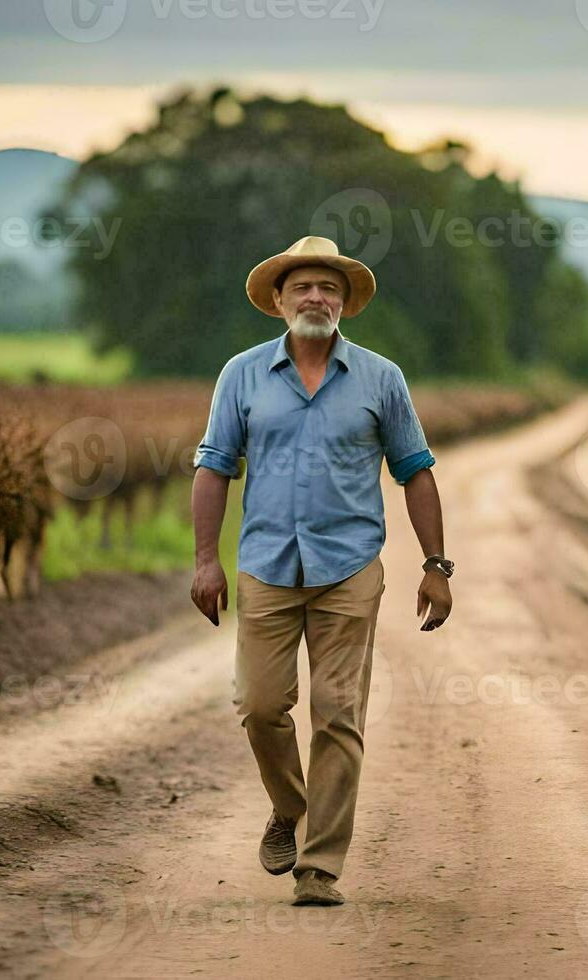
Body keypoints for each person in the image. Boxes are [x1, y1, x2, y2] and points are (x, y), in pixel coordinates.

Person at [189, 236, 454, 907]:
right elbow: (214, 467)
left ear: (345, 304)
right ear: (278, 301)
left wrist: (436, 565)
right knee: (260, 706)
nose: (316, 297)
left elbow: (416, 470)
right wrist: (204, 561)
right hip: (266, 567)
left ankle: (320, 868)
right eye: (303, 286)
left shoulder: (380, 379)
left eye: (328, 288)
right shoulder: (242, 376)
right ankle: (289, 805)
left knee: (339, 712)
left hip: (349, 568)